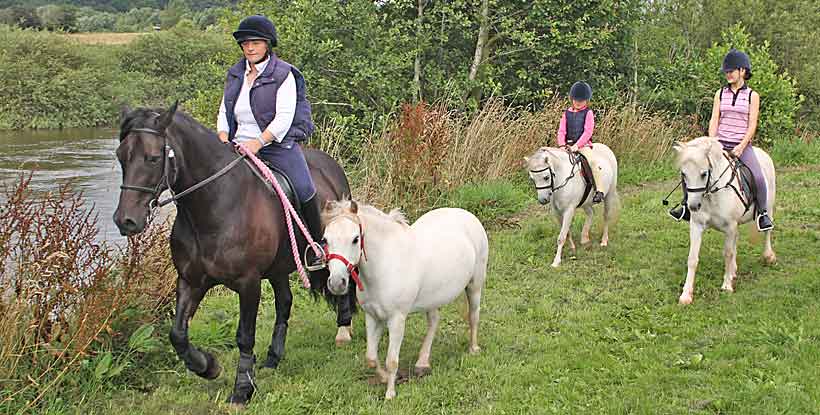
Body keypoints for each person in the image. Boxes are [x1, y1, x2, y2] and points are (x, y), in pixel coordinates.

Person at [216, 14, 326, 267]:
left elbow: (283, 118)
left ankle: (316, 245)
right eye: (245, 43)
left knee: (304, 188)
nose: (250, 47)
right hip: (236, 146)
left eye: (256, 42)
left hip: (276, 146)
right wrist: (223, 135)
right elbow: (224, 110)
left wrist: (258, 142)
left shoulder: (283, 74)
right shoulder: (235, 74)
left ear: (268, 44)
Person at [669, 49, 774, 231]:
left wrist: (741, 147)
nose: (728, 74)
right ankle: (686, 207)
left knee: (758, 176)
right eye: (726, 71)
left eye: (731, 71)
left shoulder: (752, 96)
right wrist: (712, 141)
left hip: (741, 145)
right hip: (719, 143)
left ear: (742, 71)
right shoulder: (720, 93)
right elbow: (714, 119)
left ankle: (763, 214)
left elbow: (752, 124)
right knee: (690, 165)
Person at [556, 81, 605, 203]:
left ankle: (599, 190)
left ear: (586, 100)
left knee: (593, 162)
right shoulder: (566, 113)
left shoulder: (588, 113)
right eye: (576, 100)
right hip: (566, 145)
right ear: (572, 99)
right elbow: (561, 131)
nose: (578, 102)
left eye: (581, 100)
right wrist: (562, 145)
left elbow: (588, 132)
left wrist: (577, 146)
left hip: (583, 146)